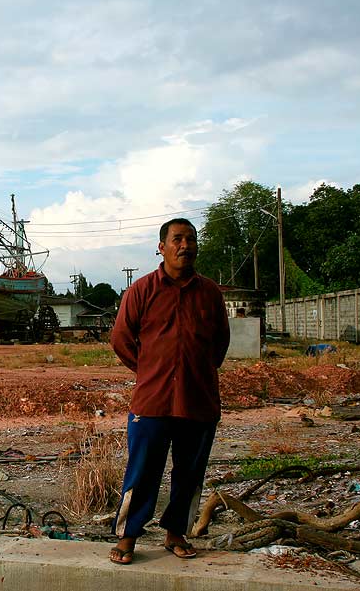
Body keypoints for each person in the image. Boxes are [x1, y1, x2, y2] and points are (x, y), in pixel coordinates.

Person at [108, 218, 230, 565]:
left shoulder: (209, 293)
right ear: (161, 247)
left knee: (190, 473)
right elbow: (120, 339)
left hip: (199, 401)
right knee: (143, 470)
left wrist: (199, 372)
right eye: (177, 239)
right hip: (152, 401)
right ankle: (128, 536)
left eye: (191, 239)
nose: (185, 245)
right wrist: (148, 370)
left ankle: (176, 534)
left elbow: (220, 342)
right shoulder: (142, 291)